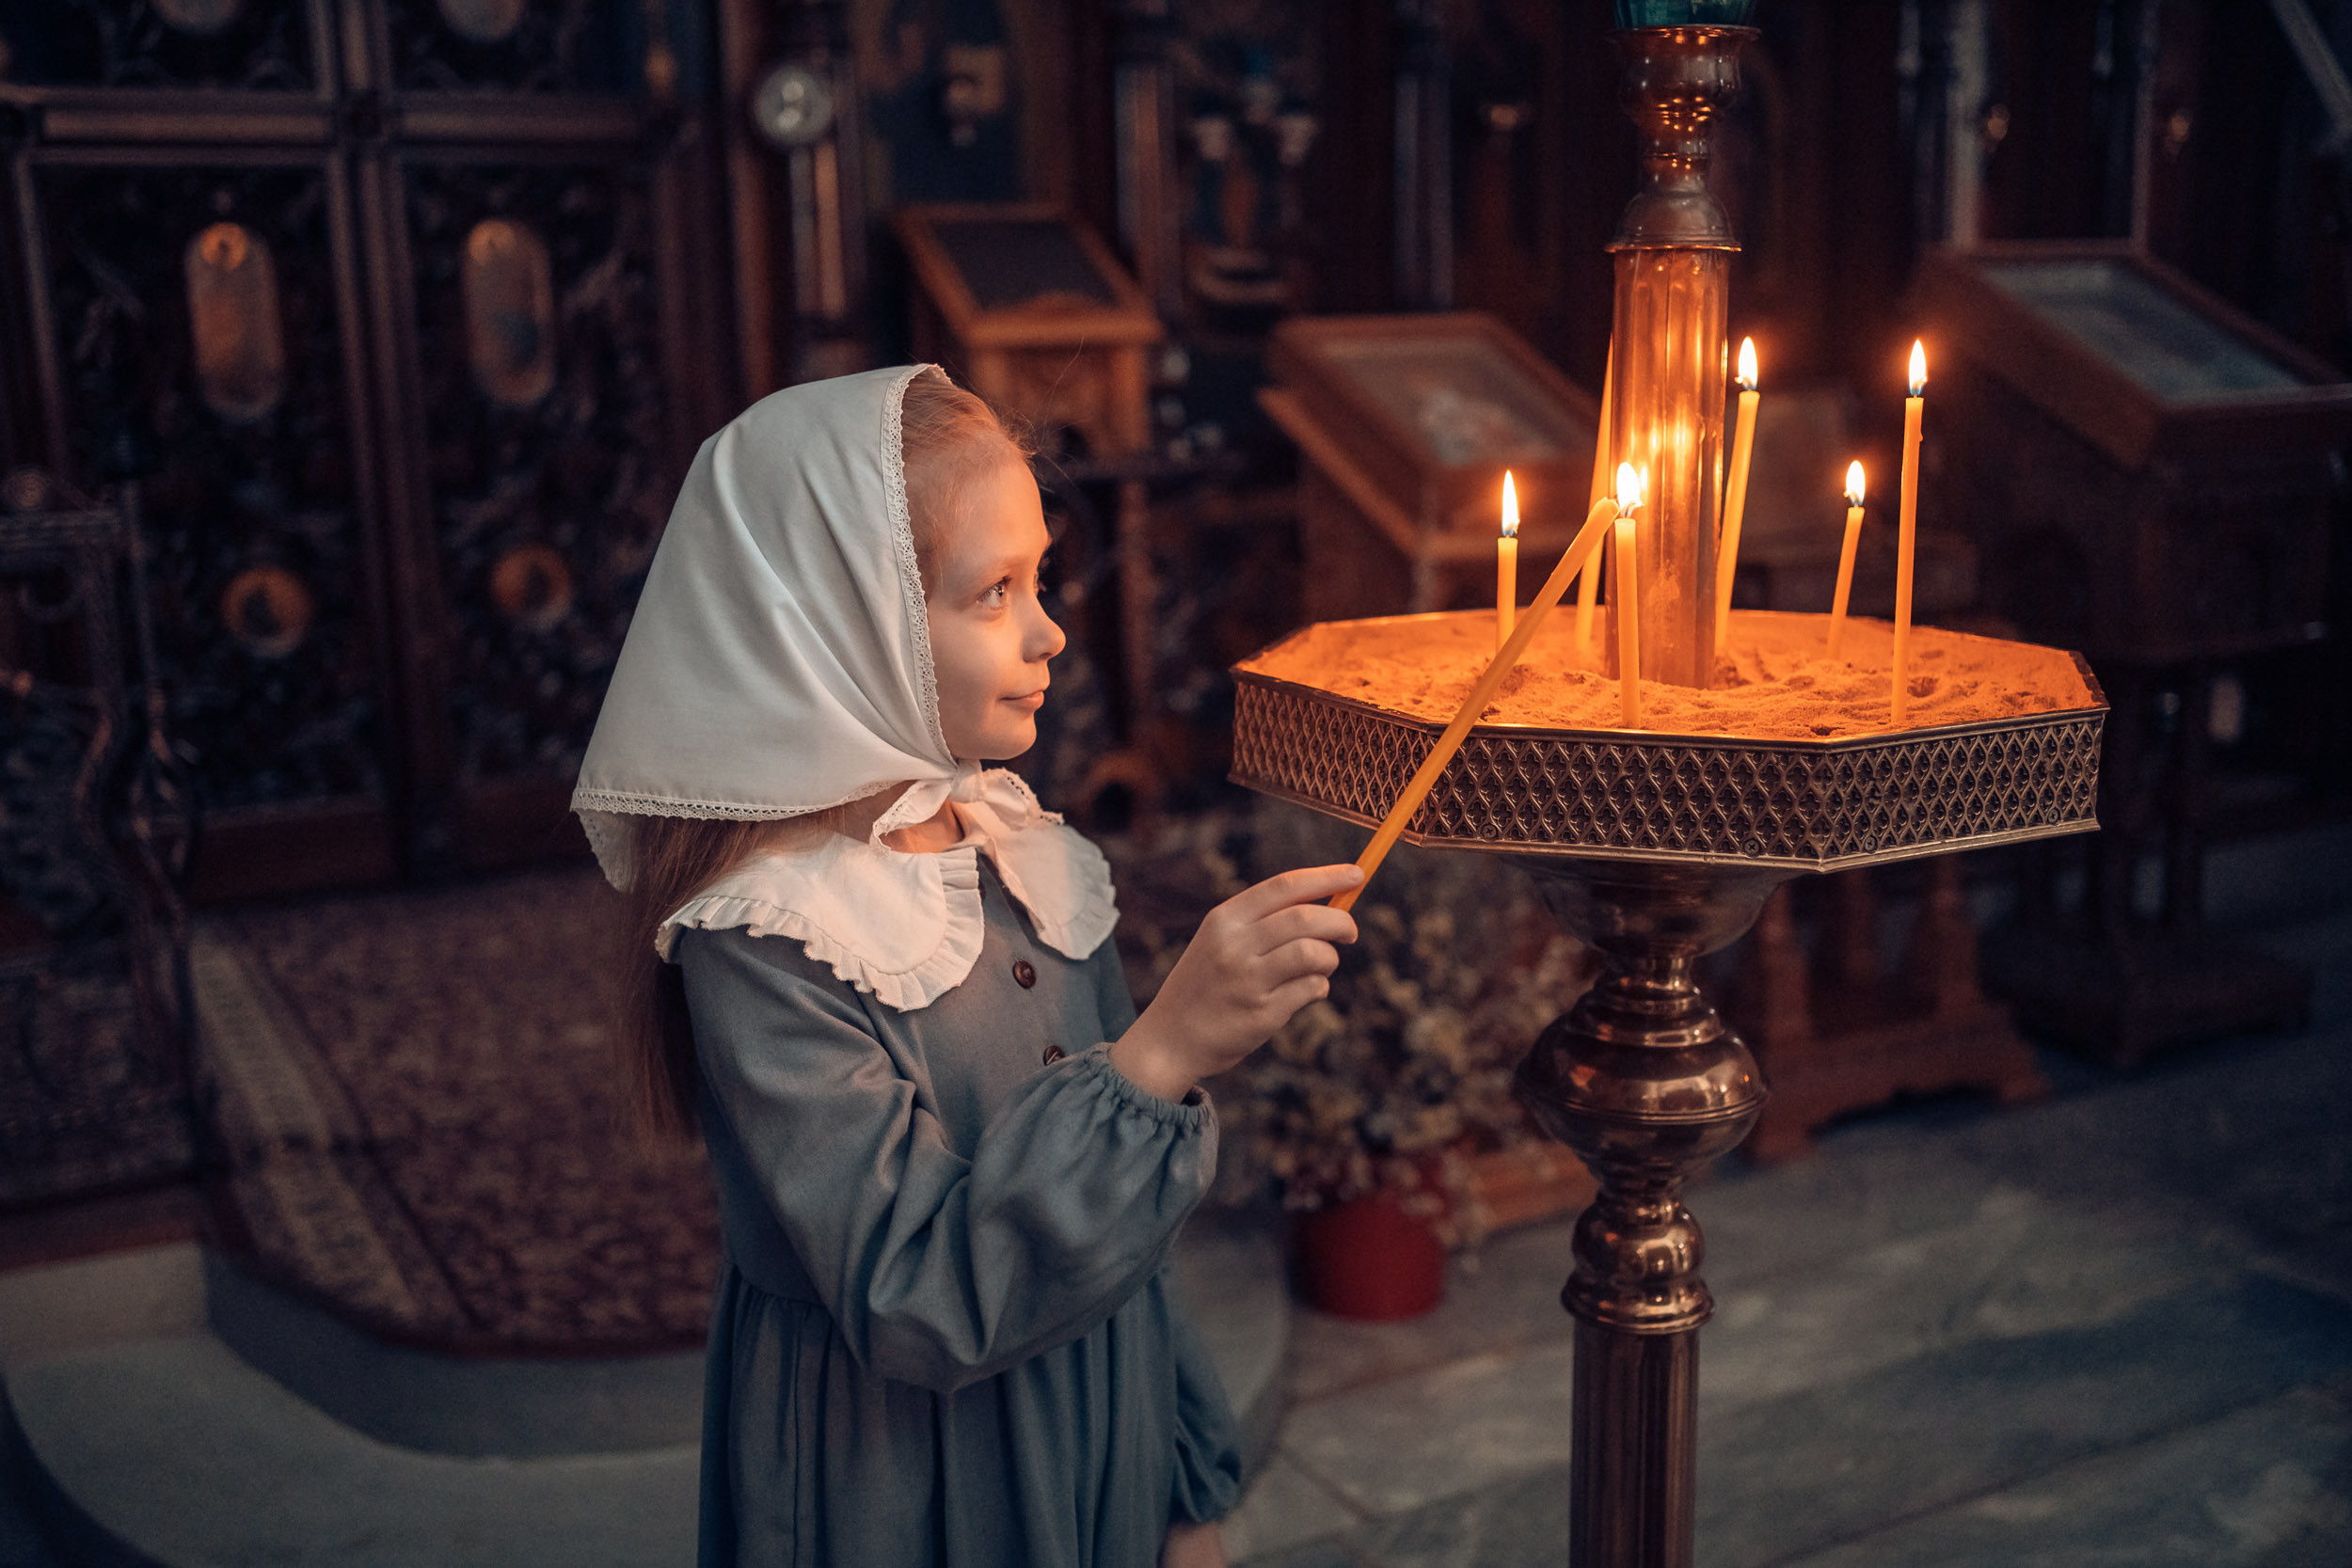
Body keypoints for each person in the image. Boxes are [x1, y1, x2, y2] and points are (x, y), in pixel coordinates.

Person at [572, 364, 1362, 1568]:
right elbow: (916, 1294)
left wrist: (1186, 1479)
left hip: (1104, 1418)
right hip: (903, 1480)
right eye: (992, 591)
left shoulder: (1023, 849)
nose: (1049, 630)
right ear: (838, 621)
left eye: (1038, 576)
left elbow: (1125, 1236)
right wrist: (1160, 1053)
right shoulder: (765, 936)